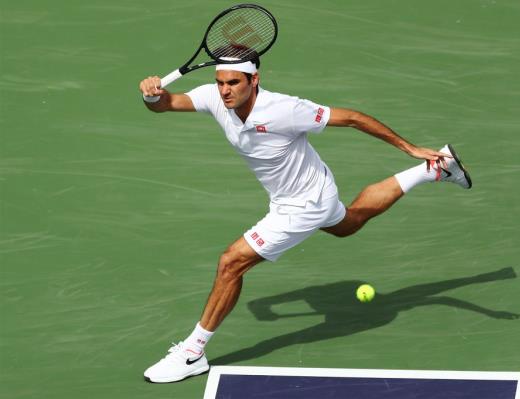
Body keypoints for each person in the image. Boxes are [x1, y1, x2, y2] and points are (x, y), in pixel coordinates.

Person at [138, 54, 472, 383]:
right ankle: (434, 171)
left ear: (254, 80)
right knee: (348, 224)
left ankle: (192, 353)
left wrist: (409, 146)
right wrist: (152, 94)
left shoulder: (285, 109)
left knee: (232, 262)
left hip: (305, 204)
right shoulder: (215, 97)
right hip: (303, 192)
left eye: (233, 83)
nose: (225, 91)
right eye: (220, 83)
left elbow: (353, 118)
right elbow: (167, 103)